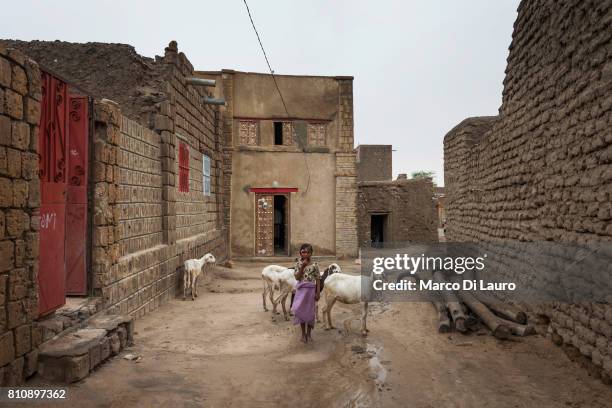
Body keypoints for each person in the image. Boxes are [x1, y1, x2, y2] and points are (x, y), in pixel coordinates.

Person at [291, 243, 320, 343]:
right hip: (301, 291)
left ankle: (309, 334)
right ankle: (303, 334)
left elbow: (318, 279)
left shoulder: (315, 265)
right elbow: (297, 277)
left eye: (308, 252)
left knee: (310, 313)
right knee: (301, 312)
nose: (305, 254)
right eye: (303, 252)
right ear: (300, 253)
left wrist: (318, 292)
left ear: (311, 253)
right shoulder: (298, 264)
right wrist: (302, 267)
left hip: (311, 291)